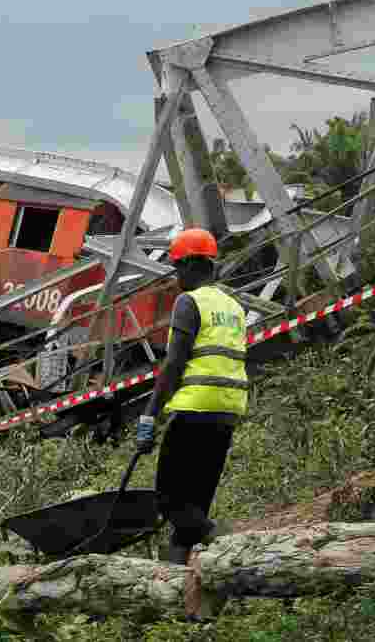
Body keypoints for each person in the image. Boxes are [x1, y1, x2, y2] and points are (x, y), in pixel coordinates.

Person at [136, 227, 248, 565]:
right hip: (227, 412)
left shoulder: (190, 301)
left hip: (194, 410)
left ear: (187, 265)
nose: (175, 277)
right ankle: (176, 586)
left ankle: (231, 542)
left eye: (176, 269)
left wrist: (149, 415)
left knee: (169, 502)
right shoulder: (233, 306)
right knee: (194, 505)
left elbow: (174, 363)